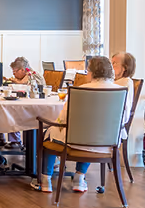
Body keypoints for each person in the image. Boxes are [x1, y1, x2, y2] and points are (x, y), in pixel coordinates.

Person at [32, 56, 124, 194]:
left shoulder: (79, 90)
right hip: (107, 143)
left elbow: (63, 119)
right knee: (92, 135)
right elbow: (125, 118)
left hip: (74, 141)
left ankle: (45, 181)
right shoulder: (121, 91)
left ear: (91, 72)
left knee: (48, 133)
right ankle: (79, 179)